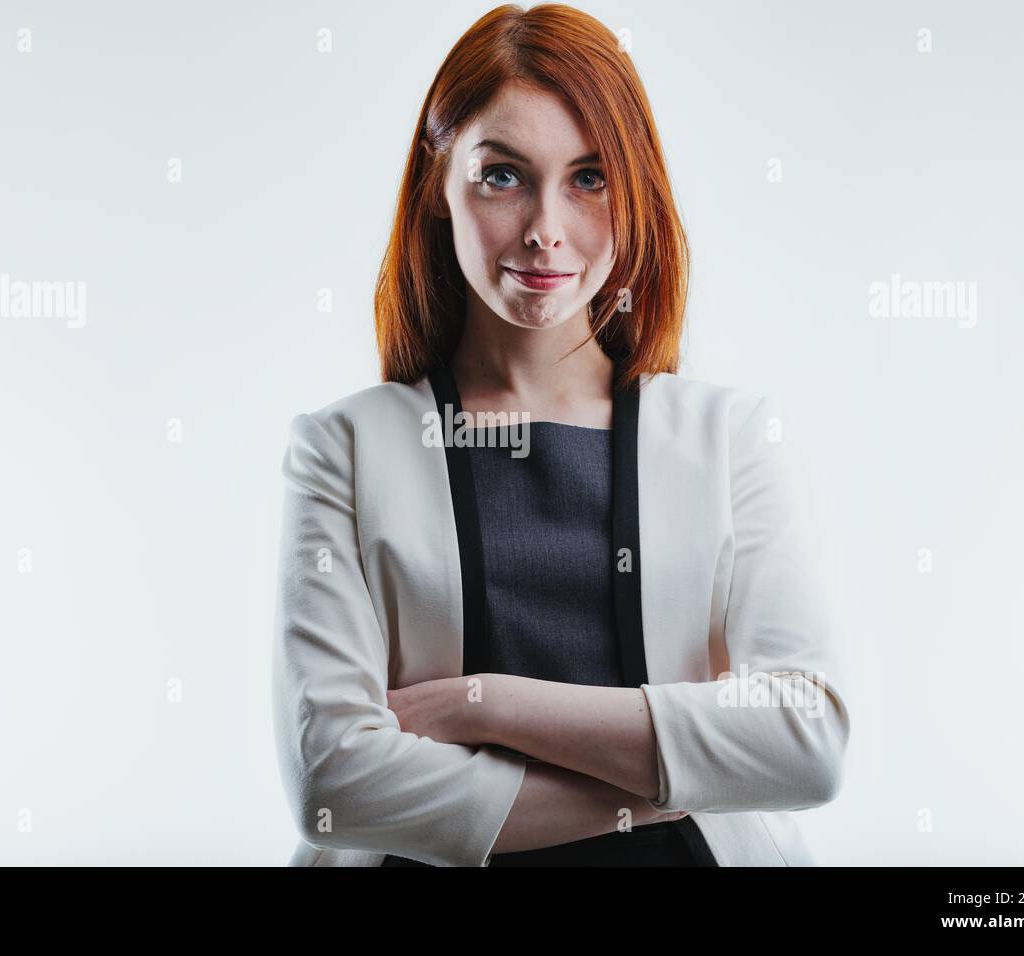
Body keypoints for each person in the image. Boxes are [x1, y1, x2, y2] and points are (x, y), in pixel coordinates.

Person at [272, 3, 851, 867]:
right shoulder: (343, 448)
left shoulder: (730, 438)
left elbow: (806, 740)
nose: (546, 228)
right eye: (503, 175)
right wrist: (685, 780)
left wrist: (482, 704)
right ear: (437, 185)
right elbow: (334, 784)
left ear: (635, 191)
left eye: (590, 178)